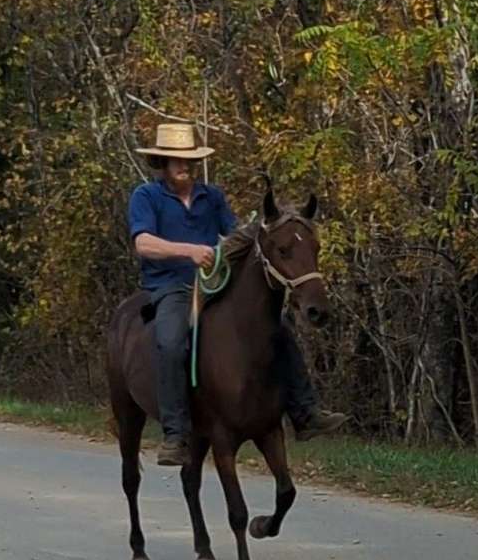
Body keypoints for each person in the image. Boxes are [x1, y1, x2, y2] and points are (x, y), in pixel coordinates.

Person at [128, 122, 347, 466]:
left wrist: (264, 233)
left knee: (277, 331)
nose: (184, 166)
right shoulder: (146, 197)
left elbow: (233, 237)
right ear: (162, 163)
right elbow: (143, 243)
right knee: (171, 341)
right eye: (176, 160)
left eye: (188, 160)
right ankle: (175, 433)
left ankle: (305, 412)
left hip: (216, 280)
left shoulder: (210, 196)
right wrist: (189, 251)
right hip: (173, 285)